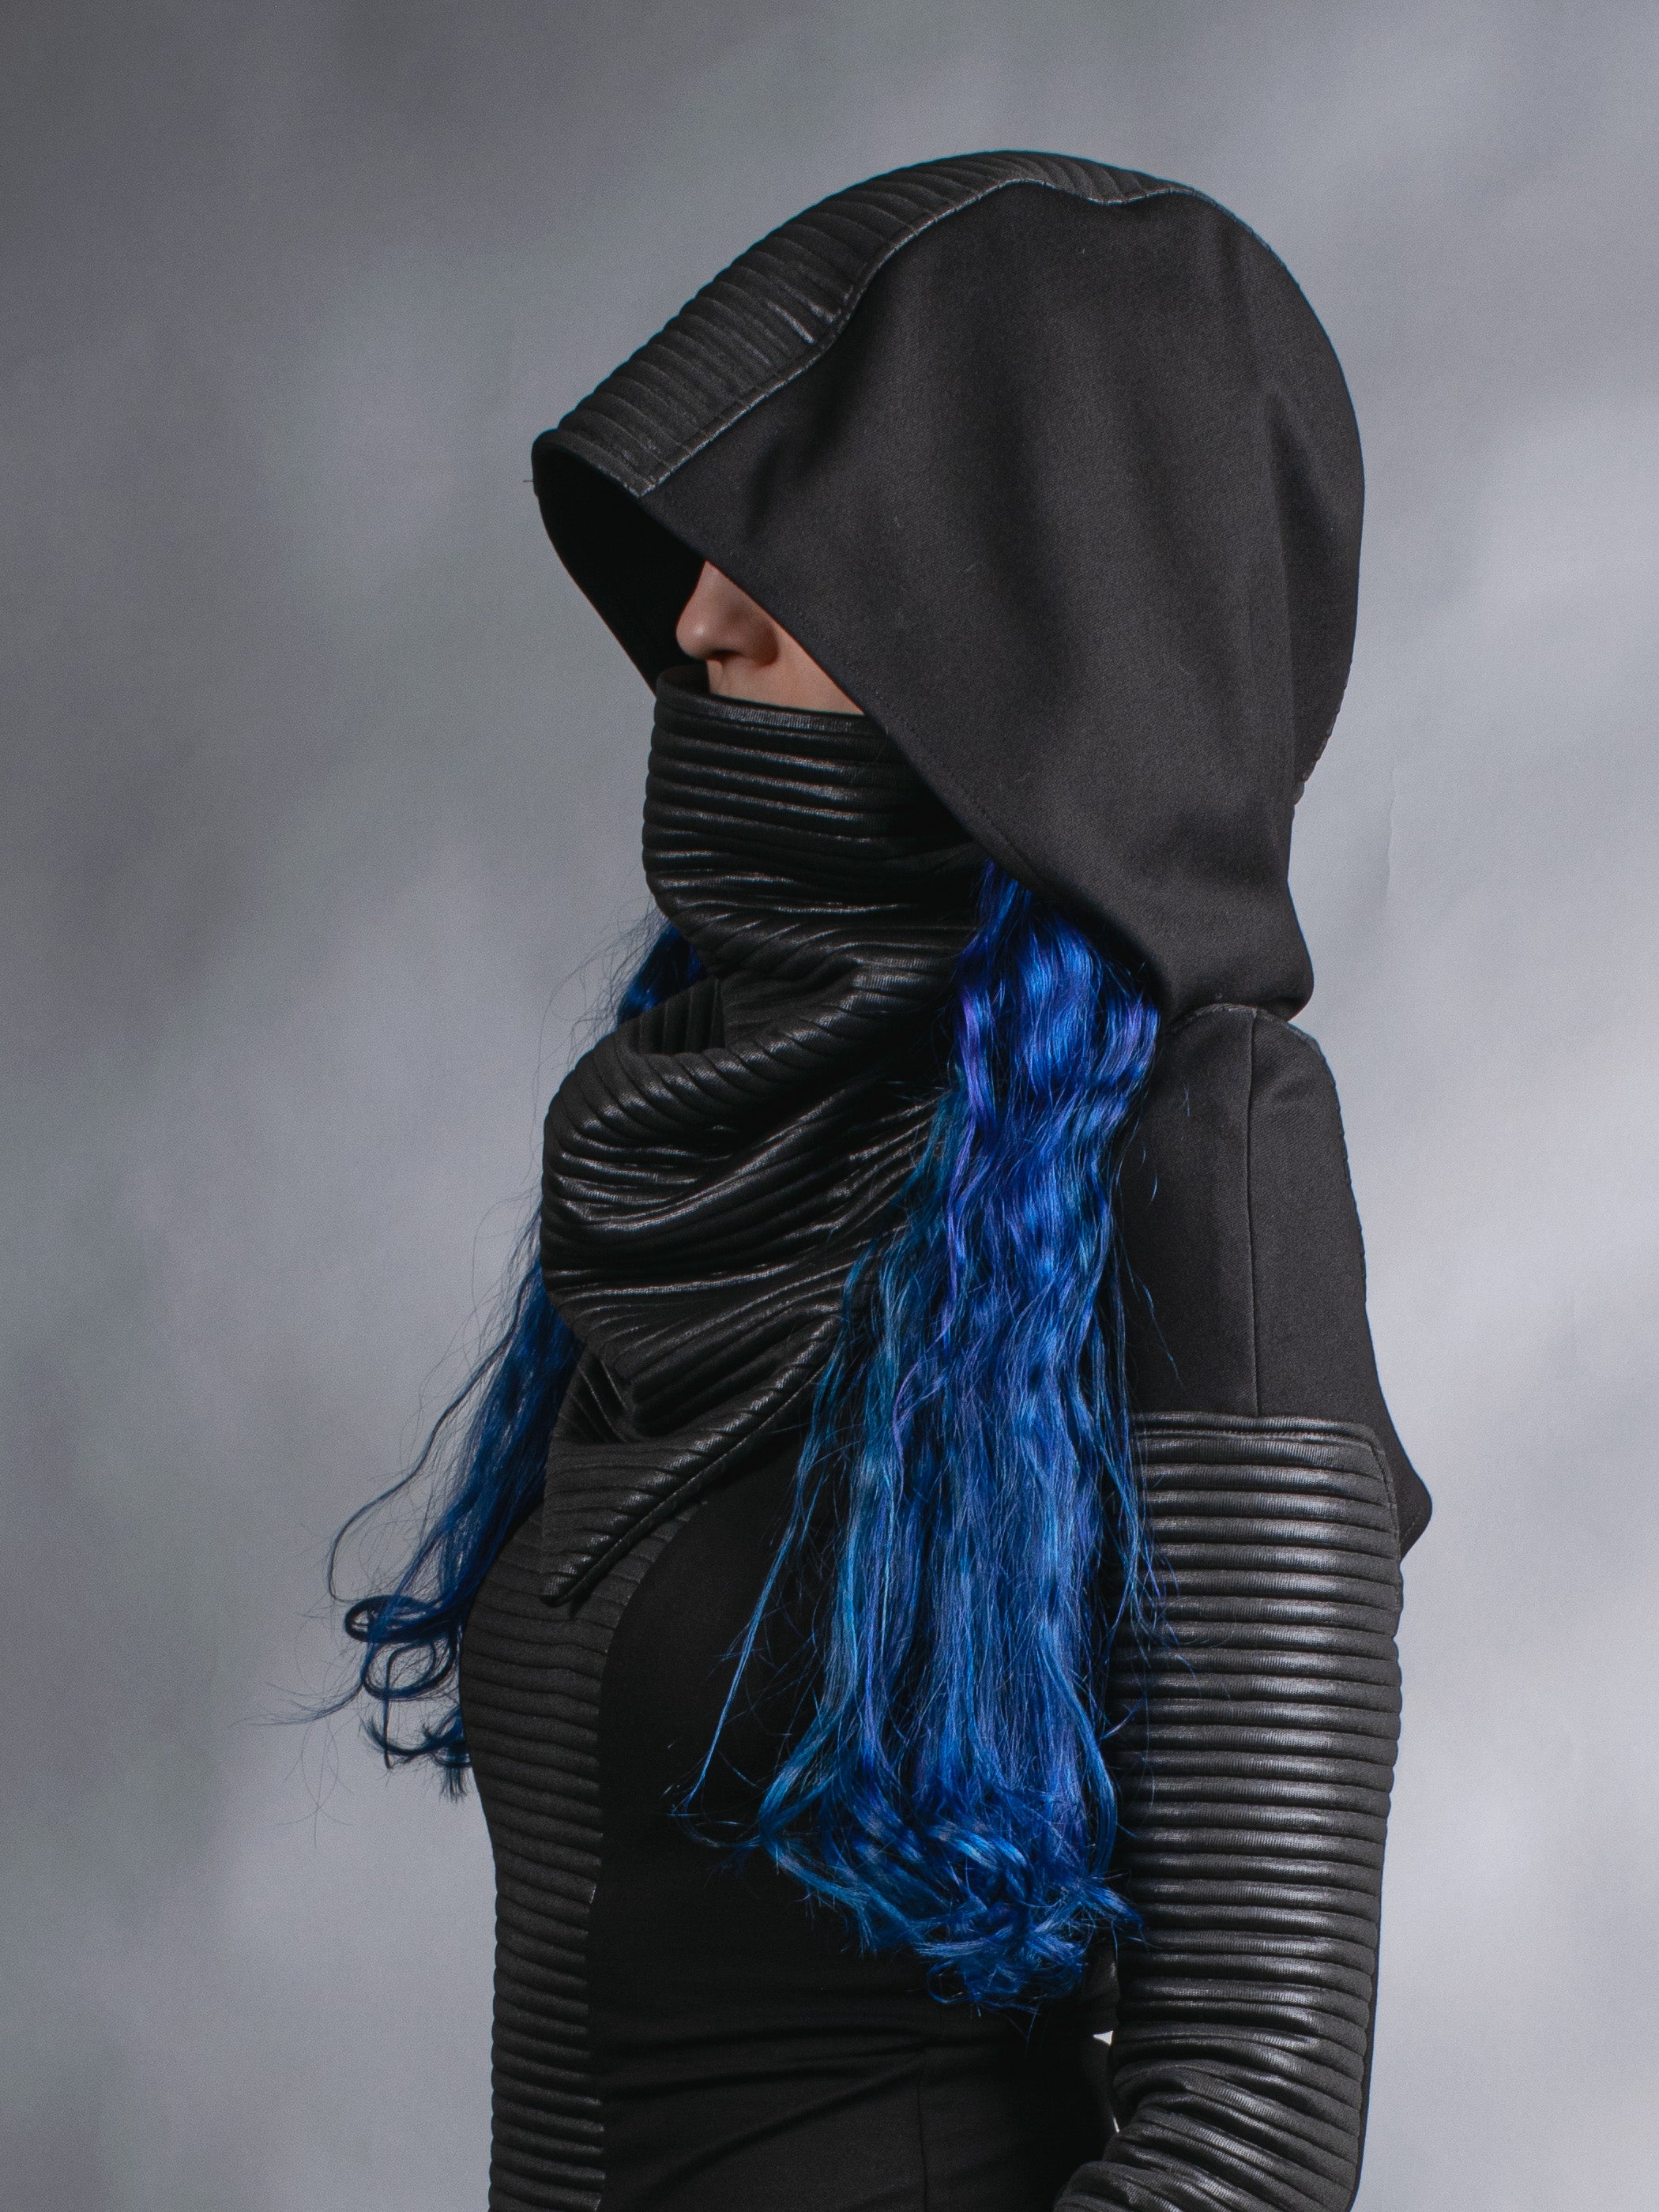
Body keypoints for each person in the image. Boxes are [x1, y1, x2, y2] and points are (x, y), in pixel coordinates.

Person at [329, 152, 1431, 2212]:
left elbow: (1249, 2134)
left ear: (1043, 633)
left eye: (828, 561)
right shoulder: (685, 1129)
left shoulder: (1208, 1159)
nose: (701, 616)